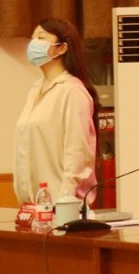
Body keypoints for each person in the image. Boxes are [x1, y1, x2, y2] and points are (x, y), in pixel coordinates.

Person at [11, 19, 98, 205]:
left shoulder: (72, 91)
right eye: (33, 38)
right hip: (34, 205)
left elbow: (77, 151)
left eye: (41, 37)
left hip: (63, 205)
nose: (33, 43)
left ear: (62, 48)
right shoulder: (35, 89)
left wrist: (65, 199)